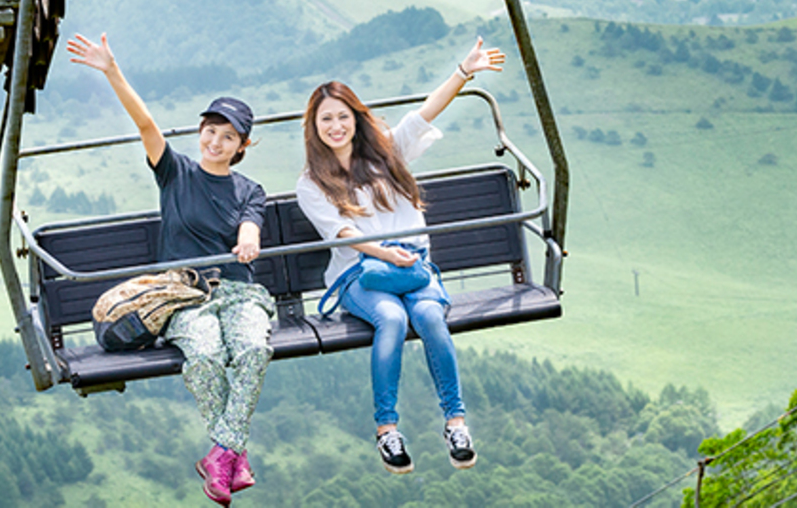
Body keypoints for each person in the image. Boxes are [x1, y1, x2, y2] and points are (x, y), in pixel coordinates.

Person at [67, 32, 273, 507]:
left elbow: (251, 226)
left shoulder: (249, 189)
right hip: (184, 297)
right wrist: (111, 69)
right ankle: (232, 455)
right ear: (200, 132)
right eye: (211, 130)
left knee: (251, 352)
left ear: (241, 146)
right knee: (202, 356)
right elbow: (145, 123)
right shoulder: (175, 172)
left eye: (228, 136)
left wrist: (248, 237)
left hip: (239, 292)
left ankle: (221, 454)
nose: (216, 141)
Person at [295, 37, 505, 474]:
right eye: (325, 120)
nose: (336, 126)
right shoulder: (312, 183)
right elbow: (345, 234)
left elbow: (426, 111)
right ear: (313, 128)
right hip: (361, 273)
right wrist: (386, 254)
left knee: (429, 318)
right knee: (390, 319)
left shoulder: (386, 152)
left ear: (356, 117)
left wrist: (464, 71)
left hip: (413, 265)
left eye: (342, 116)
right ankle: (387, 430)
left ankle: (456, 422)